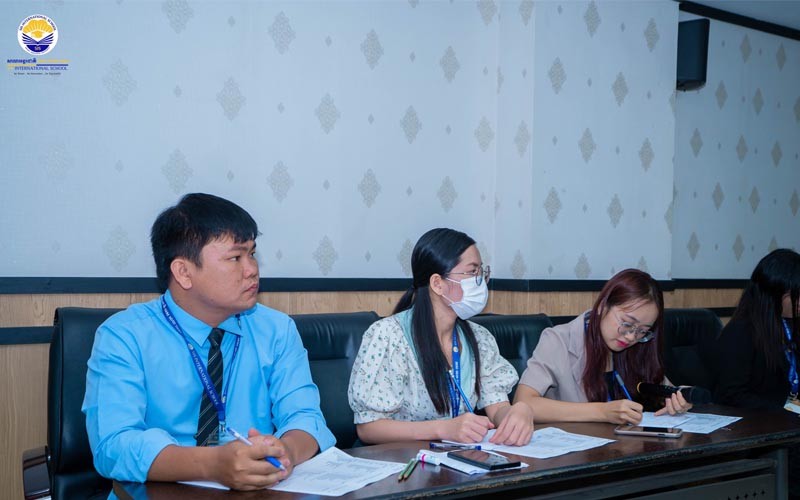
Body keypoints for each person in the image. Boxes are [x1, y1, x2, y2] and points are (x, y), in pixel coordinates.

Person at [83, 193, 335, 491]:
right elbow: (114, 445)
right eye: (235, 258)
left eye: (252, 254)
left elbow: (305, 417)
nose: (252, 269)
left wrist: (285, 451)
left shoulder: (277, 330)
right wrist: (212, 465)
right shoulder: (124, 336)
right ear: (183, 272)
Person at [348, 228, 533, 446]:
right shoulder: (388, 336)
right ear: (437, 284)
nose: (481, 282)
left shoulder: (479, 338)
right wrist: (443, 429)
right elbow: (368, 428)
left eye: (481, 272)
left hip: (457, 457)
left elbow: (497, 406)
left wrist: (516, 414)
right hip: (401, 459)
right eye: (472, 272)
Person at [514, 268, 691, 424]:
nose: (631, 336)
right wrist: (601, 412)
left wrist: (680, 400)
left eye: (642, 331)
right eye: (627, 324)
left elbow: (665, 389)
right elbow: (523, 402)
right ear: (602, 306)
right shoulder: (559, 340)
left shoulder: (640, 345)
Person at [711, 248, 800, 409]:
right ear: (775, 294)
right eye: (796, 295)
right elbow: (730, 395)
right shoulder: (740, 332)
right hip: (758, 420)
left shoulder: (790, 324)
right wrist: (783, 410)